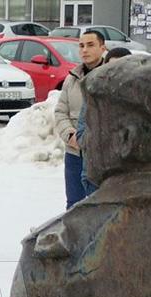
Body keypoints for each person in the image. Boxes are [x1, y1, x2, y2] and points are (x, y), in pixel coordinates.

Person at [55, 29, 105, 208]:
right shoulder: (72, 79)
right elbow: (60, 112)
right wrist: (70, 135)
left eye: (90, 45)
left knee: (99, 206)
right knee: (74, 206)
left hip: (101, 155)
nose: (85, 50)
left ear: (102, 48)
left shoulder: (111, 78)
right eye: (81, 46)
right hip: (75, 153)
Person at [76, 47, 131, 196]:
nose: (117, 73)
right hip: (98, 178)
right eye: (112, 67)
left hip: (131, 179)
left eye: (122, 67)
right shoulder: (94, 97)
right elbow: (81, 134)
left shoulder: (139, 98)